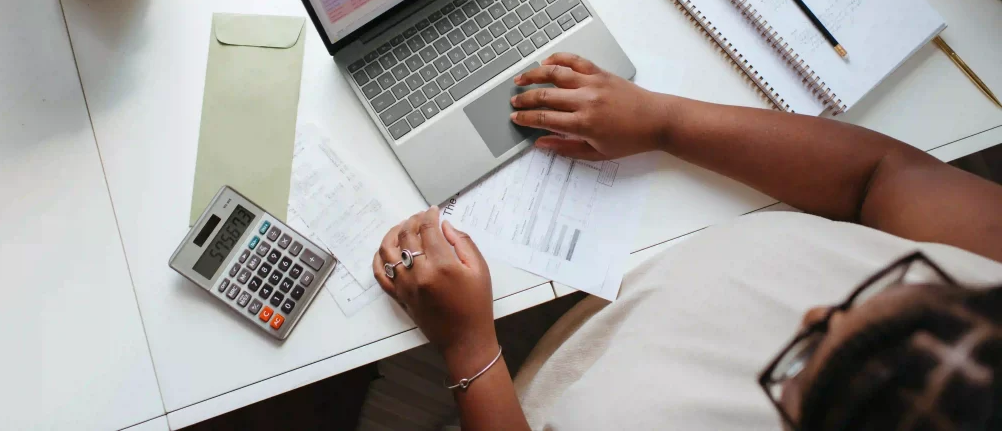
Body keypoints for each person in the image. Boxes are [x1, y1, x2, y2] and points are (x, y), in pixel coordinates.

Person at [372, 53, 1002, 430]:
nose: (811, 314)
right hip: (623, 288)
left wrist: (468, 348)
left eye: (806, 362)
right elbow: (882, 176)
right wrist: (664, 122)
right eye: (895, 284)